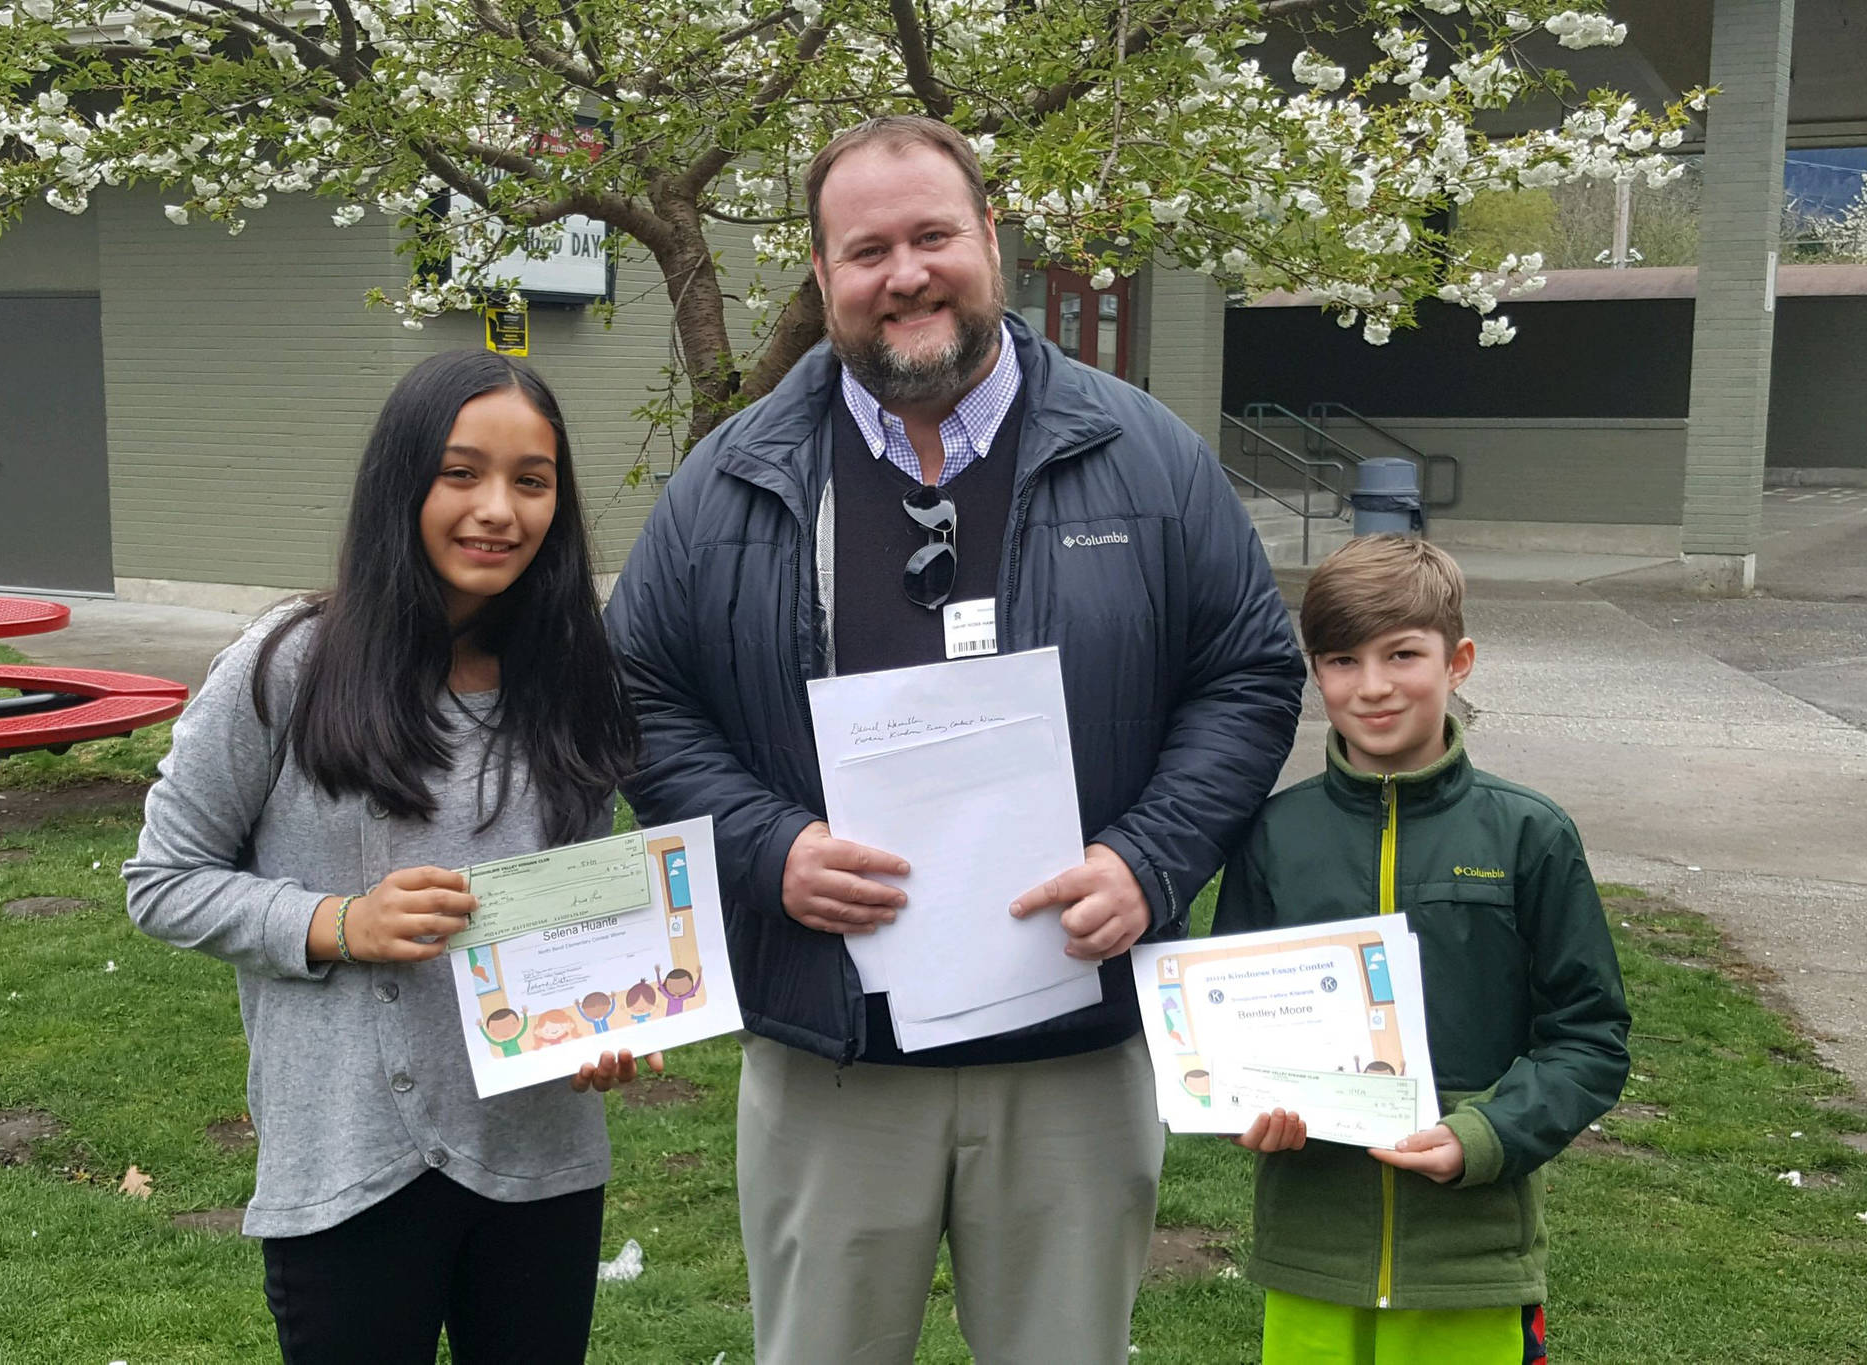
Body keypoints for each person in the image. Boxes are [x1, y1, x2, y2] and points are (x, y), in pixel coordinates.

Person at [606, 115, 1305, 1363]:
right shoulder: (729, 478)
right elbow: (637, 697)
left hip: (1070, 1053)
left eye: (932, 236)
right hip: (831, 1057)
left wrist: (1148, 859)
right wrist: (765, 848)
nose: (905, 274)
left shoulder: (1146, 457)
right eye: (865, 250)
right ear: (821, 273)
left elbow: (1245, 676)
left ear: (989, 236)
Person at [125, 350, 652, 1365]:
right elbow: (163, 879)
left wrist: (604, 1018)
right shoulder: (288, 667)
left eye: (531, 481)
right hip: (348, 1163)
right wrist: (339, 923)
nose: (497, 510)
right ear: (401, 482)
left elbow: (575, 903)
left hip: (538, 1161)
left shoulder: (574, 680)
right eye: (461, 473)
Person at [1213, 535, 1630, 1365]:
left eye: (1401, 654)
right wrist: (1241, 1107)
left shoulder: (1529, 834)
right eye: (1342, 660)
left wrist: (1488, 1134)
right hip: (1311, 1253)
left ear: (1458, 661)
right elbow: (1229, 1028)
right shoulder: (1275, 835)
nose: (1371, 686)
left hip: (1467, 1259)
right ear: (1316, 673)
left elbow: (1589, 1037)